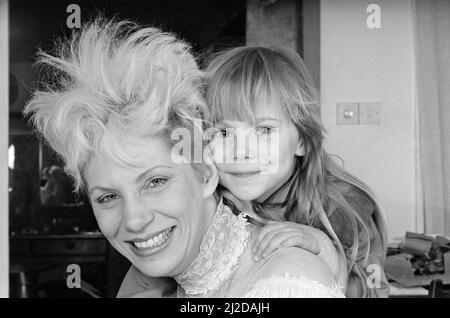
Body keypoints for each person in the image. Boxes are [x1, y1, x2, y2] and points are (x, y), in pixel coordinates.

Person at [24, 18, 345, 298]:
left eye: (156, 181)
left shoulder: (287, 280)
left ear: (206, 172)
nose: (134, 220)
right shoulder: (150, 282)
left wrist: (325, 250)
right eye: (107, 196)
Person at [205, 46, 389, 297]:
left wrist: (326, 252)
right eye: (223, 133)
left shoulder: (342, 207)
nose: (240, 151)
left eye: (263, 131)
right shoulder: (209, 206)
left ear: (302, 140)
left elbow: (375, 290)